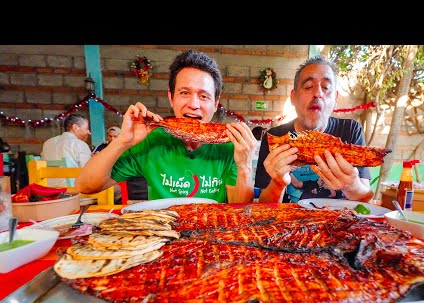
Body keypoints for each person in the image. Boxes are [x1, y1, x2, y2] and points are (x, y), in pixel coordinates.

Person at [75, 49, 256, 203]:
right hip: (164, 235)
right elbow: (85, 186)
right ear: (171, 97)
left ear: (216, 103)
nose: (194, 104)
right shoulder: (151, 142)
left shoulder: (230, 147)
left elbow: (240, 210)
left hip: (210, 238)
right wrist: (123, 141)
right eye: (184, 93)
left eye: (204, 96)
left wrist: (245, 165)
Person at [255, 55, 374, 204]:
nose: (318, 93)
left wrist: (352, 185)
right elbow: (263, 207)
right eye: (309, 87)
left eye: (326, 88)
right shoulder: (275, 137)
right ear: (293, 97)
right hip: (289, 224)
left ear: (336, 98)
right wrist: (278, 183)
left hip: (339, 222)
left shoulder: (350, 131)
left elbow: (367, 199)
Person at [41, 113, 92, 187]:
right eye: (87, 128)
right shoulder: (79, 144)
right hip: (71, 190)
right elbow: (89, 172)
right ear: (75, 127)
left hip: (47, 188)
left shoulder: (48, 142)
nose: (89, 132)